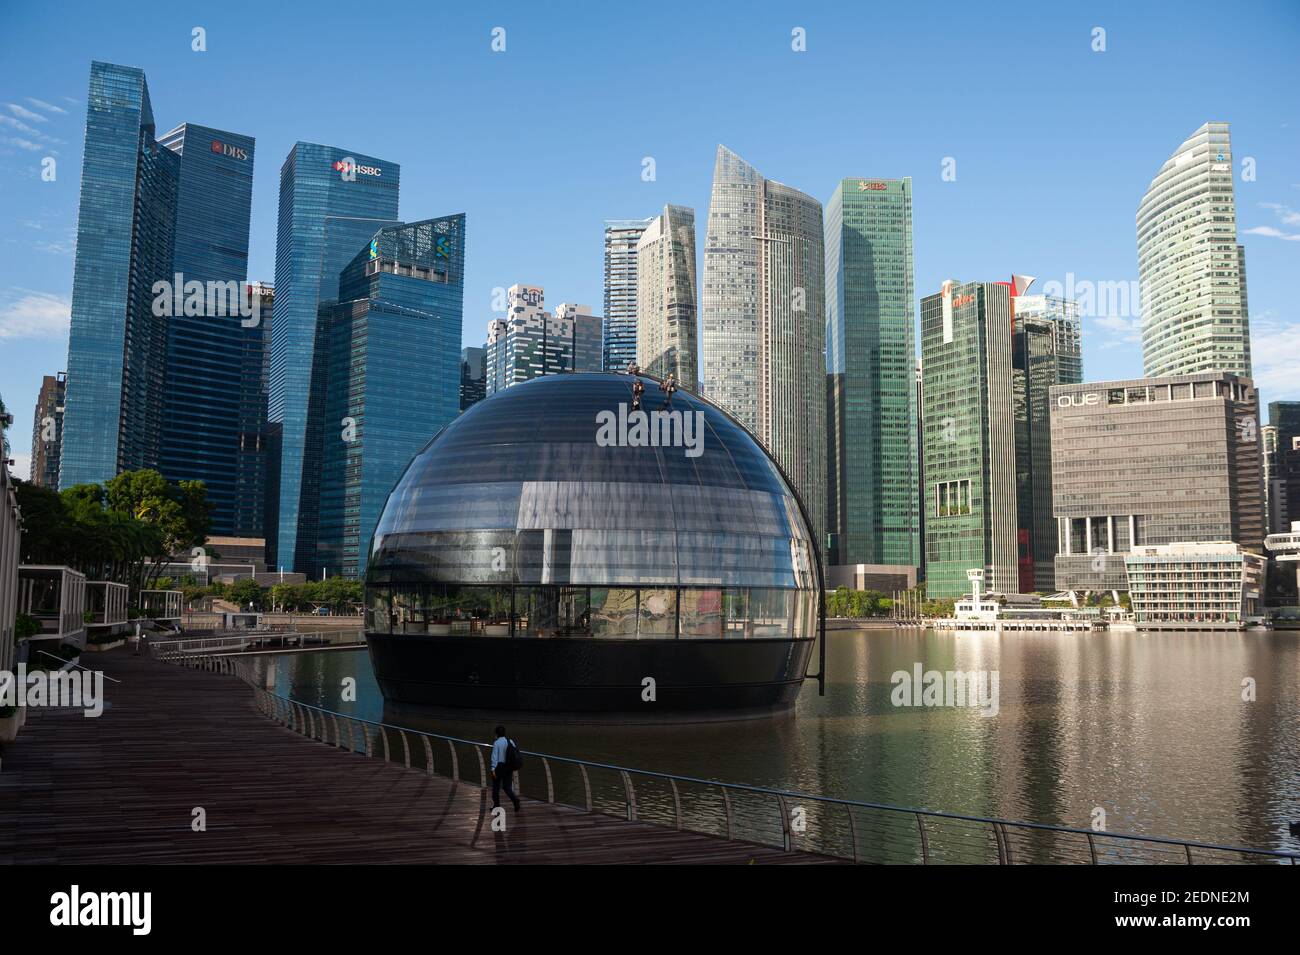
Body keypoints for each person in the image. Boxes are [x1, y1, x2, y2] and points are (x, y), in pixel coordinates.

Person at [490, 725, 521, 811]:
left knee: (496, 788)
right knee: (507, 787)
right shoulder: (510, 741)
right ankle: (515, 800)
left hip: (499, 767)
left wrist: (493, 769)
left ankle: (496, 806)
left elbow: (494, 757)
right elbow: (515, 753)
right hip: (508, 767)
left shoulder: (496, 743)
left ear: (496, 734)